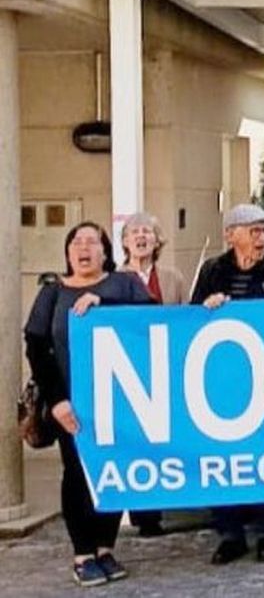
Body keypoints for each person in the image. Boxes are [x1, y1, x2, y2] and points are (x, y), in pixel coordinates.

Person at [25, 222, 152, 586]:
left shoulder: (124, 284)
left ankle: (105, 548)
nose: (84, 248)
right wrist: (58, 400)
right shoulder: (53, 292)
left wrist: (104, 302)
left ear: (105, 250)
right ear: (67, 252)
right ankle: (82, 553)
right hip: (72, 403)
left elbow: (150, 320)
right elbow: (36, 347)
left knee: (112, 472)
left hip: (119, 401)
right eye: (77, 242)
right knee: (78, 474)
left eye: (92, 242)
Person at [192, 204, 264, 564]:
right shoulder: (212, 271)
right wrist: (206, 308)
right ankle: (229, 534)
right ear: (230, 235)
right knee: (220, 460)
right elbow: (189, 323)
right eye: (253, 231)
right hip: (220, 383)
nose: (262, 239)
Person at [117, 211, 188, 537]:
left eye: (148, 231)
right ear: (125, 241)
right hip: (129, 371)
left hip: (167, 369)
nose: (141, 237)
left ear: (158, 240)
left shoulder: (173, 278)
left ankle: (163, 506)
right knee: (136, 440)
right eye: (135, 232)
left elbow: (187, 319)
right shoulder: (113, 278)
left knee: (164, 436)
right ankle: (143, 514)